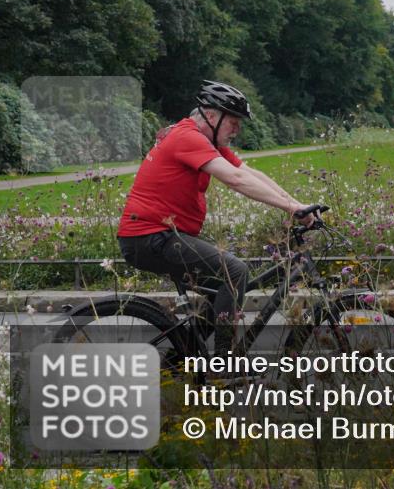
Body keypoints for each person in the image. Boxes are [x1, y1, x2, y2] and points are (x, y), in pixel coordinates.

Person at [117, 80, 314, 356]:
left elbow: (248, 173)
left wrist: (297, 205)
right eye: (233, 122)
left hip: (160, 235)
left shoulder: (206, 140)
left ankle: (181, 357)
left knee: (223, 291)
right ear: (211, 115)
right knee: (234, 273)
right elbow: (235, 180)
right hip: (149, 236)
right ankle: (224, 361)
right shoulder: (187, 137)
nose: (238, 129)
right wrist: (292, 209)